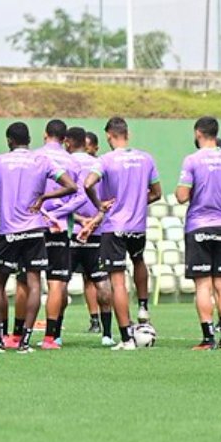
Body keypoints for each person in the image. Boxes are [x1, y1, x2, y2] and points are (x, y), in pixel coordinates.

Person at [0, 122, 77, 353]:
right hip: (35, 229)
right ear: (29, 138)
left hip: (8, 230)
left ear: (9, 140)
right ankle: (25, 341)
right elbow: (71, 186)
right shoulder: (42, 161)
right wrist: (45, 196)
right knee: (34, 282)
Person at [80, 117, 162, 351]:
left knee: (117, 282)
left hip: (115, 228)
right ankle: (143, 306)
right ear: (127, 134)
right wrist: (137, 201)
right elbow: (156, 193)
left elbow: (87, 183)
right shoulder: (146, 159)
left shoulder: (105, 160)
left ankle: (126, 338)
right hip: (138, 226)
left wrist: (100, 204)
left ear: (109, 136)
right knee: (138, 259)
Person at [176, 116, 221, 350]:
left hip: (198, 227)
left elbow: (181, 196)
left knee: (204, 286)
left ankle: (208, 339)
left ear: (198, 132)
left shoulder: (192, 160)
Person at [32, 120, 89, 349]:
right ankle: (50, 337)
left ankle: (19, 335)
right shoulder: (73, 162)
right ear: (65, 139)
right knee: (56, 282)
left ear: (45, 134)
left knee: (30, 280)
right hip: (60, 227)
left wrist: (45, 211)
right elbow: (81, 196)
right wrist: (59, 212)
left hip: (34, 224)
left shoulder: (34, 158)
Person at [66, 127, 105, 341]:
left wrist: (82, 221)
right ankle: (102, 325)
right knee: (94, 278)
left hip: (78, 227)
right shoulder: (101, 165)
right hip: (95, 225)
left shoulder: (68, 163)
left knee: (64, 279)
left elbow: (61, 199)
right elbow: (109, 200)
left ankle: (56, 331)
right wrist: (94, 219)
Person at [84, 130, 115, 344]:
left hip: (96, 230)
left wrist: (95, 218)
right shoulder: (99, 168)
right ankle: (95, 320)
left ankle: (105, 329)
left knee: (100, 279)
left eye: (89, 148)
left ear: (95, 148)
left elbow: (107, 201)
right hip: (78, 231)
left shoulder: (103, 168)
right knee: (85, 279)